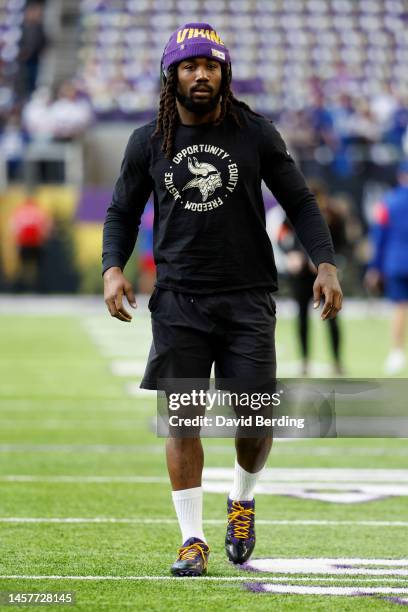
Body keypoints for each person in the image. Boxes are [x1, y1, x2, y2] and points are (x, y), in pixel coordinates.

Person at [102, 23, 343, 577]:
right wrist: (113, 269)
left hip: (248, 299)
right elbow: (119, 212)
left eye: (211, 66)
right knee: (181, 418)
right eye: (190, 66)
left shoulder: (254, 132)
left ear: (224, 73)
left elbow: (301, 200)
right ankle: (192, 539)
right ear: (173, 76)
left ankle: (243, 499)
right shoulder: (148, 141)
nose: (201, 74)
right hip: (179, 300)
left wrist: (326, 263)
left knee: (254, 421)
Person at [278, 179, 348, 376]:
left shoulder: (335, 216)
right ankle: (305, 360)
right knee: (301, 316)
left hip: (326, 276)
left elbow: (343, 245)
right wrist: (292, 254)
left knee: (333, 315)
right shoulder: (295, 212)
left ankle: (336, 360)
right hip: (301, 275)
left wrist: (330, 262)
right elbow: (283, 238)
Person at [365, 160, 408, 375]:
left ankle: (397, 353)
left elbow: (379, 237)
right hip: (398, 261)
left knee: (399, 308)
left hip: (397, 262)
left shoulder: (388, 202)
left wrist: (375, 267)